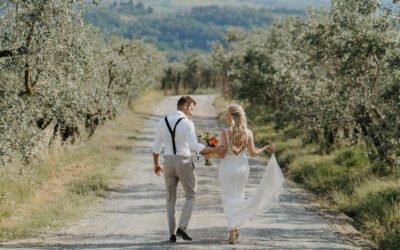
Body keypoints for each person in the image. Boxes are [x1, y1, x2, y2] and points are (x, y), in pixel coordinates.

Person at [152, 95, 227, 243]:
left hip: (168, 163)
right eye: (191, 109)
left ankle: (172, 234)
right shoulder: (187, 123)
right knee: (191, 195)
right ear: (185, 106)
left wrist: (156, 163)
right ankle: (182, 227)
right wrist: (214, 150)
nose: (192, 112)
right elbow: (194, 146)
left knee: (170, 198)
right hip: (183, 162)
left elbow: (156, 147)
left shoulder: (162, 122)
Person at [208, 104, 284, 244]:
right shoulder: (248, 132)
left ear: (233, 116)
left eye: (227, 114)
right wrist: (264, 148)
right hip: (242, 167)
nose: (225, 117)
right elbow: (253, 153)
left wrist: (210, 152)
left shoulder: (226, 132)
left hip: (227, 167)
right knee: (239, 196)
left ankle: (232, 230)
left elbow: (222, 152)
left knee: (228, 197)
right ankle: (236, 228)